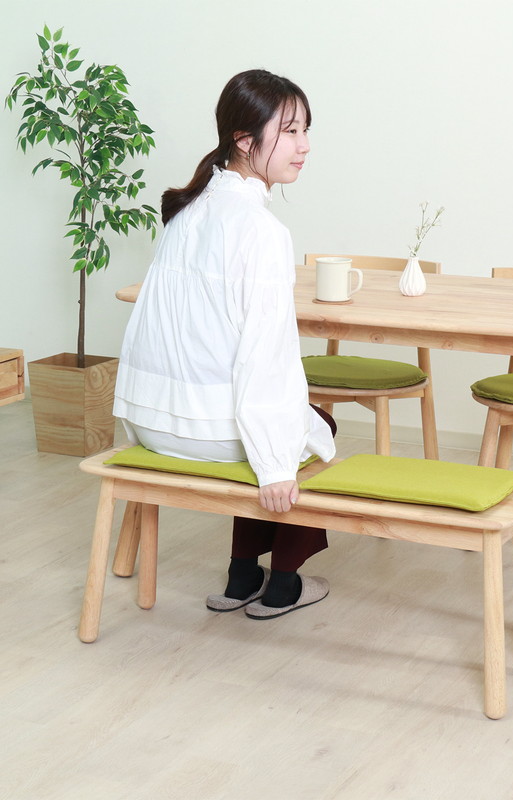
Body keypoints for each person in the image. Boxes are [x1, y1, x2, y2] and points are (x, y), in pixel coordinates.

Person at [113, 70, 336, 620]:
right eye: (289, 131)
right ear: (244, 139)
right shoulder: (262, 232)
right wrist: (276, 466)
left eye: (305, 130)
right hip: (208, 437)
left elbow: (151, 333)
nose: (304, 145)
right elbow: (266, 360)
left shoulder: (185, 212)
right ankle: (283, 584)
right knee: (313, 426)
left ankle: (242, 575)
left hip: (151, 424)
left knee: (276, 421)